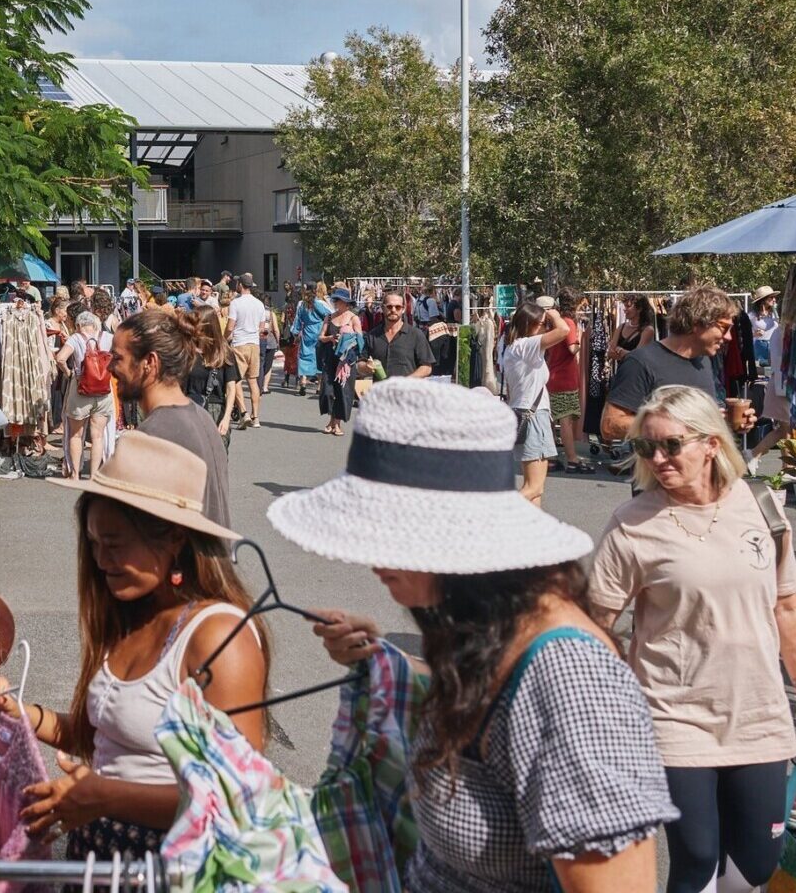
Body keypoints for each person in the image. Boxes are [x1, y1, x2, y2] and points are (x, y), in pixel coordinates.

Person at [275, 379, 675, 892]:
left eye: (381, 533)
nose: (370, 560)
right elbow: (493, 714)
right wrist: (386, 659)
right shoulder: (487, 626)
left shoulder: (570, 679)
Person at [0, 433, 262, 856]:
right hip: (98, 859)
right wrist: (23, 715)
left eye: (116, 546)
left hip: (171, 869)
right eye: (94, 544)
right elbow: (103, 741)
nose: (102, 561)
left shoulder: (219, 637)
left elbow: (239, 800)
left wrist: (105, 798)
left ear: (175, 537)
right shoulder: (130, 615)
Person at [592, 384, 796, 893]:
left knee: (756, 864)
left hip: (757, 711)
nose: (657, 459)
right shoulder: (633, 525)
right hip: (673, 714)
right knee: (698, 857)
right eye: (645, 448)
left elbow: (788, 608)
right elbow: (596, 625)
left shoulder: (763, 507)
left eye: (670, 445)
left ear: (710, 443)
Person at [111, 309, 229, 527]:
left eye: (118, 358)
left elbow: (144, 536)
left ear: (150, 362)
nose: (110, 367)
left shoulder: (154, 435)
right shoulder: (200, 418)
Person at [601, 285, 755, 445]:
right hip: (661, 468)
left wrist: (724, 420)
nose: (729, 337)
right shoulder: (641, 362)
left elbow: (699, 422)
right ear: (697, 323)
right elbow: (610, 425)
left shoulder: (703, 361)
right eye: (724, 328)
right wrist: (675, 425)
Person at [500, 301, 575, 506]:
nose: (546, 327)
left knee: (535, 488)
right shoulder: (526, 345)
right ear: (529, 323)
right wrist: (554, 315)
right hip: (533, 416)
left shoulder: (513, 348)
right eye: (542, 323)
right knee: (534, 487)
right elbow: (564, 330)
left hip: (527, 413)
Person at [58, 310, 115, 480]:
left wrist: (69, 373)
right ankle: (93, 475)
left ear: (78, 325)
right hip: (104, 390)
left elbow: (60, 358)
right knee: (97, 435)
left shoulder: (75, 338)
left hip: (81, 389)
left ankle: (75, 473)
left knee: (76, 435)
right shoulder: (108, 337)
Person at [180, 306, 240, 452]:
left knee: (217, 458)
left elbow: (231, 388)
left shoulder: (224, 353)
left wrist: (226, 419)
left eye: (197, 325)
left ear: (207, 326)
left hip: (215, 410)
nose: (194, 329)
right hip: (190, 408)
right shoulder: (187, 351)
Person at [546, 293, 594, 475]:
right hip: (565, 378)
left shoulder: (555, 324)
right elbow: (572, 348)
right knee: (565, 420)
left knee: (553, 419)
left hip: (554, 376)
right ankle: (572, 459)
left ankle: (552, 457)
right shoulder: (569, 323)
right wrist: (581, 337)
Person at [319, 288, 364, 436]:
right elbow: (321, 337)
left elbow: (360, 340)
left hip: (345, 361)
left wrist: (348, 341)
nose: (336, 303)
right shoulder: (329, 317)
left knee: (342, 392)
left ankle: (336, 424)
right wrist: (331, 338)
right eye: (335, 300)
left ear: (346, 303)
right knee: (327, 390)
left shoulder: (353, 318)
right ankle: (331, 421)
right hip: (330, 358)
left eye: (339, 300)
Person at [225, 274, 268, 428]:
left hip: (239, 343)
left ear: (240, 285)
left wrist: (224, 338)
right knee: (253, 380)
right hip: (254, 344)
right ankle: (256, 416)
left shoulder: (235, 303)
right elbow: (262, 328)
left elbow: (230, 326)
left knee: (235, 379)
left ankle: (243, 412)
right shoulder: (259, 304)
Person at [365, 289, 434, 381]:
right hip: (381, 392)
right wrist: (366, 367)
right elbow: (360, 363)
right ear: (382, 308)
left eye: (398, 307)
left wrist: (405, 381)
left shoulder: (416, 335)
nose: (393, 310)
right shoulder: (372, 335)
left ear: (403, 309)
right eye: (389, 307)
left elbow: (427, 367)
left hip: (407, 392)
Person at [292, 281, 331, 397]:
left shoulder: (302, 304)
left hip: (307, 331)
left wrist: (295, 332)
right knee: (318, 357)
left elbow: (298, 320)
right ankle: (319, 386)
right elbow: (329, 314)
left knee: (305, 355)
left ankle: (303, 381)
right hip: (319, 330)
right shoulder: (319, 303)